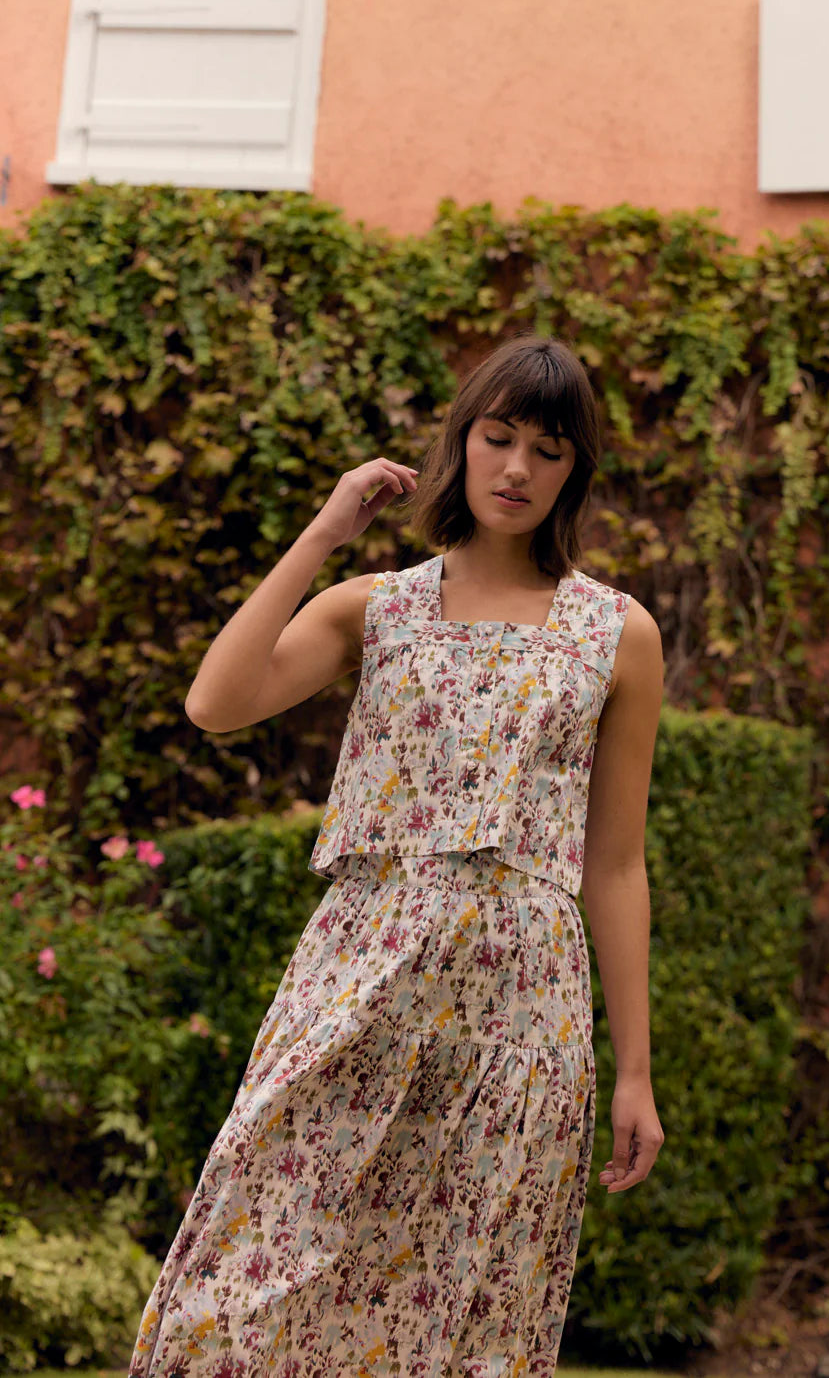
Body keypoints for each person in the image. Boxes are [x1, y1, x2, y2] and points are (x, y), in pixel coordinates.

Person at [129, 333, 665, 1377]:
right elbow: (215, 703)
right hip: (359, 970)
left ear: (575, 471)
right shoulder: (376, 606)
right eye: (497, 438)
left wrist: (634, 1071)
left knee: (467, 1298)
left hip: (522, 1006)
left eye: (548, 450)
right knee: (250, 1263)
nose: (517, 469)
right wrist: (325, 533)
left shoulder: (618, 633)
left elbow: (615, 865)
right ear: (460, 442)